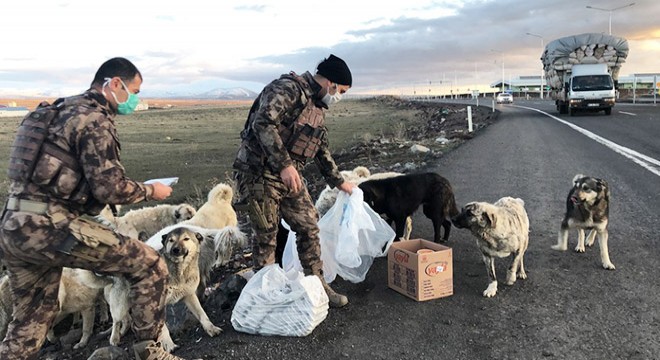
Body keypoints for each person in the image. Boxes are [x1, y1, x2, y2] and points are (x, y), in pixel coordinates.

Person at [0, 57, 183, 360]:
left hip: (14, 226)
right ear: (114, 84)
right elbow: (109, 188)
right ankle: (151, 352)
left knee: (31, 320)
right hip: (50, 227)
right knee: (149, 265)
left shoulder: (56, 111)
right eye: (133, 91)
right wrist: (152, 190)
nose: (134, 99)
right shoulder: (94, 118)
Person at [233, 54, 354, 307]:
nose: (339, 96)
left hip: (289, 177)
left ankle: (317, 284)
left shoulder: (317, 107)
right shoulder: (287, 89)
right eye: (340, 90)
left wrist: (338, 181)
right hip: (259, 172)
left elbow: (320, 148)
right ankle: (265, 297)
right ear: (330, 82)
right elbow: (263, 123)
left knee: (309, 225)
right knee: (266, 235)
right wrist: (285, 165)